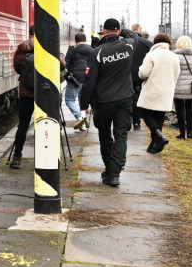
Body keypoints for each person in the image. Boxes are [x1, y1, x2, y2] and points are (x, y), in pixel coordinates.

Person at [80, 18, 134, 187]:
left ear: (103, 31)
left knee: (105, 135)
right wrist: (122, 32)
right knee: (121, 135)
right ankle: (114, 172)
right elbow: (133, 36)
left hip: (103, 102)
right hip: (124, 99)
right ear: (118, 31)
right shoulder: (128, 47)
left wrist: (84, 105)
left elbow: (89, 83)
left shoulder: (97, 53)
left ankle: (110, 169)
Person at [137, 33, 181, 154]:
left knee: (144, 112)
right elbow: (177, 74)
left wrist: (140, 70)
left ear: (155, 42)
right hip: (167, 89)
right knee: (159, 116)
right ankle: (154, 144)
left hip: (152, 89)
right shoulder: (174, 56)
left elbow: (143, 73)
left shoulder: (151, 55)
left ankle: (159, 137)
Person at [11, 25, 36, 169]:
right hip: (44, 94)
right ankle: (48, 157)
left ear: (30, 33)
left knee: (23, 125)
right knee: (47, 123)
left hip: (26, 92)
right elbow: (62, 65)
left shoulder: (21, 49)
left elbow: (16, 68)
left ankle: (17, 157)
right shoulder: (48, 46)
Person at [122, 23, 152, 131]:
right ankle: (137, 122)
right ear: (140, 30)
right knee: (138, 99)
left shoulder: (124, 43)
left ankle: (127, 120)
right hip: (141, 75)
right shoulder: (148, 43)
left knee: (127, 98)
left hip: (126, 75)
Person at [172, 35, 192, 139]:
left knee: (180, 110)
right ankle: (190, 133)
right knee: (189, 109)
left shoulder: (175, 56)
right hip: (190, 86)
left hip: (178, 85)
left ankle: (182, 133)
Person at [64, 32, 93, 131]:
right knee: (83, 102)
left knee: (69, 100)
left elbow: (66, 65)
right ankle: (83, 124)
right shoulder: (92, 50)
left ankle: (79, 117)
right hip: (87, 78)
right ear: (85, 40)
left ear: (75, 40)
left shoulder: (73, 49)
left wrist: (66, 76)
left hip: (74, 78)